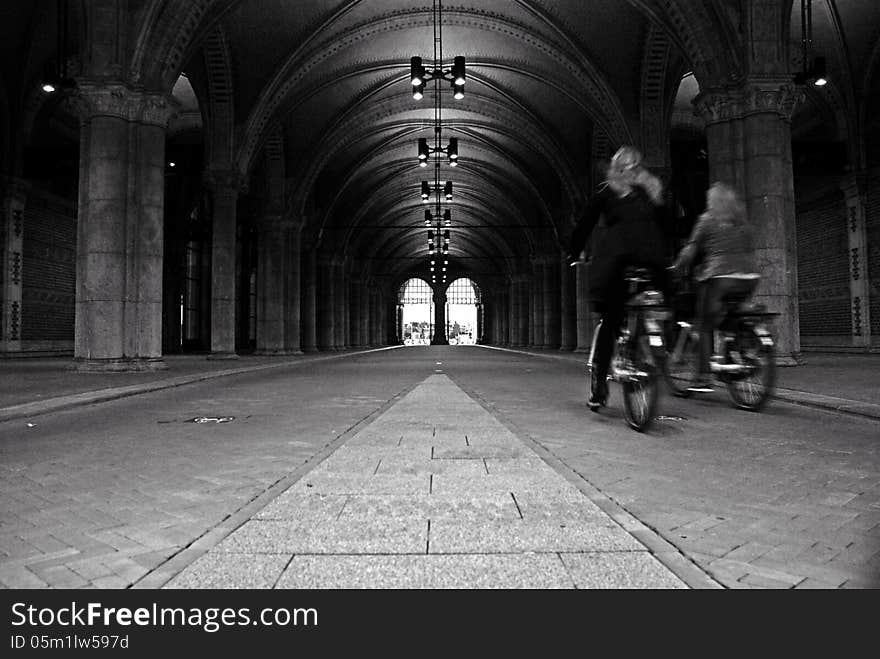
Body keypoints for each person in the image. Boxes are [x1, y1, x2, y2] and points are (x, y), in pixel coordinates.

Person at [566, 146, 670, 411]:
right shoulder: (651, 191)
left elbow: (585, 223)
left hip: (618, 261)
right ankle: (655, 348)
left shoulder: (607, 190)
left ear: (615, 167)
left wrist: (573, 250)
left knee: (610, 320)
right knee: (657, 305)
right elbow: (666, 224)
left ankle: (599, 388)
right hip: (653, 261)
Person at [671, 181, 760, 392]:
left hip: (720, 278)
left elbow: (691, 250)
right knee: (732, 317)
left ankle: (703, 377)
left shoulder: (707, 220)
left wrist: (676, 267)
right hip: (749, 278)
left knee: (703, 325)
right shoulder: (743, 223)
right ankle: (739, 355)